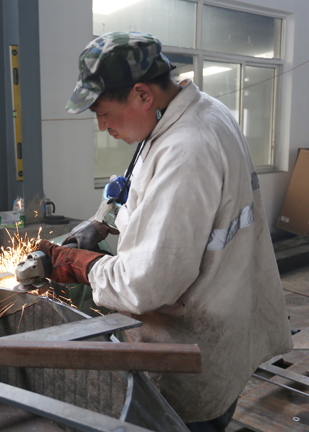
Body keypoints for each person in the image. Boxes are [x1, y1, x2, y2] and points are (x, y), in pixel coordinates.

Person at [38, 32, 293, 431]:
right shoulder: (193, 112)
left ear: (142, 94)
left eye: (103, 113)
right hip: (221, 317)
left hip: (193, 344)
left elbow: (146, 286)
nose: (102, 126)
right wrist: (103, 218)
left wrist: (81, 265)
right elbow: (144, 188)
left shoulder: (187, 148)